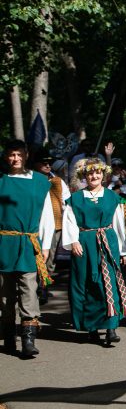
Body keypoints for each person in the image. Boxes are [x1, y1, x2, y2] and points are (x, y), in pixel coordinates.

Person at [62, 158, 126, 345]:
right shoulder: (75, 199)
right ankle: (91, 326)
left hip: (108, 241)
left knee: (108, 282)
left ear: (103, 174)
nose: (94, 176)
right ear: (84, 175)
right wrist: (73, 241)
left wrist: (123, 250)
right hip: (84, 243)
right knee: (88, 283)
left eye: (98, 173)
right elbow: (69, 221)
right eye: (90, 173)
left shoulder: (111, 196)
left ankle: (111, 327)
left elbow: (118, 224)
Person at [0, 140, 54, 358]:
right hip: (4, 243)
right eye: (11, 155)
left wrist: (47, 244)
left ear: (26, 155)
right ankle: (8, 335)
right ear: (6, 157)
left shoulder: (40, 182)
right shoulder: (1, 182)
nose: (15, 159)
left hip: (29, 243)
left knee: (28, 290)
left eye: (19, 154)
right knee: (4, 295)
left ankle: (28, 340)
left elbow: (47, 216)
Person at [30, 149, 70, 304]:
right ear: (36, 164)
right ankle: (30, 287)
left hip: (55, 225)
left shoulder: (58, 181)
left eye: (50, 163)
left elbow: (67, 201)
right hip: (32, 225)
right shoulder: (30, 180)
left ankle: (43, 287)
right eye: (44, 162)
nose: (48, 165)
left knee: (50, 258)